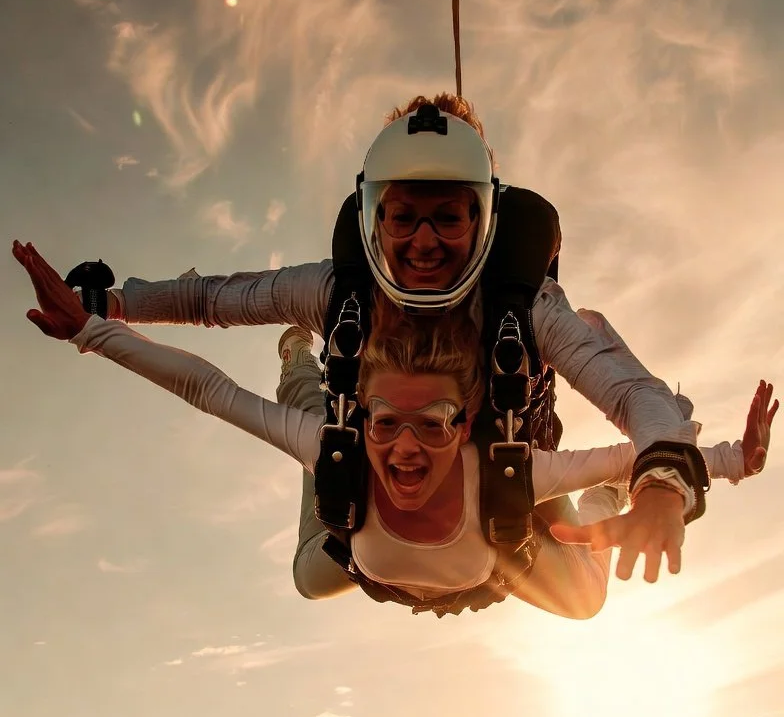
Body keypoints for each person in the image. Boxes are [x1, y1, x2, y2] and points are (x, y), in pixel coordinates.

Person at [94, 94, 710, 586]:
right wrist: (108, 304)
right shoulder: (338, 294)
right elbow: (213, 300)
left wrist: (658, 485)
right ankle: (297, 361)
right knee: (313, 567)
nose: (423, 242)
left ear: (482, 221)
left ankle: (606, 496)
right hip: (384, 469)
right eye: (403, 216)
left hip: (507, 480)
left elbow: (632, 393)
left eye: (447, 217)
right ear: (376, 219)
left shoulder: (529, 309)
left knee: (585, 599)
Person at [13, 240, 777, 619]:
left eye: (435, 426)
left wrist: (695, 472)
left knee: (585, 599)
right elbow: (210, 363)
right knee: (316, 538)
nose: (407, 447)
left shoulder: (528, 375)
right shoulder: (344, 401)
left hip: (500, 521)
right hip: (376, 502)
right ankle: (299, 363)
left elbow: (629, 437)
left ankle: (339, 400)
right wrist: (99, 318)